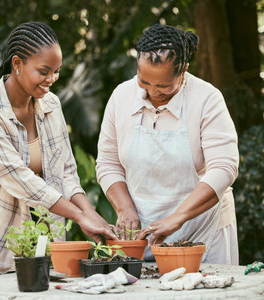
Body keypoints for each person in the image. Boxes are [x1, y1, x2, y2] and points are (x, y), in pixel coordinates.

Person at [0, 21, 117, 286]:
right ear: (17, 64)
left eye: (57, 71)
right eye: (44, 71)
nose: (52, 79)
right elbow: (19, 179)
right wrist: (79, 216)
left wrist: (88, 211)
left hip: (31, 246)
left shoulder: (51, 104)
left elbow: (67, 171)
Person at [96, 23, 239, 264]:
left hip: (204, 234)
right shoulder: (121, 96)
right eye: (144, 82)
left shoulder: (207, 99)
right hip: (143, 239)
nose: (153, 92)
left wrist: (178, 217)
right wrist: (125, 208)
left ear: (183, 70)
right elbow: (108, 163)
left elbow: (223, 168)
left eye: (163, 86)